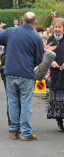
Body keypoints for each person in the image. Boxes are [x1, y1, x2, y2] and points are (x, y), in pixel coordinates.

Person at [0, 12, 44, 141]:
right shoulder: (36, 37)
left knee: (12, 102)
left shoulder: (10, 31)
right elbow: (39, 59)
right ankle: (26, 132)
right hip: (26, 73)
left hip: (10, 72)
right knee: (25, 103)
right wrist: (30, 64)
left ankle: (14, 131)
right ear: (34, 22)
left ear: (22, 20)